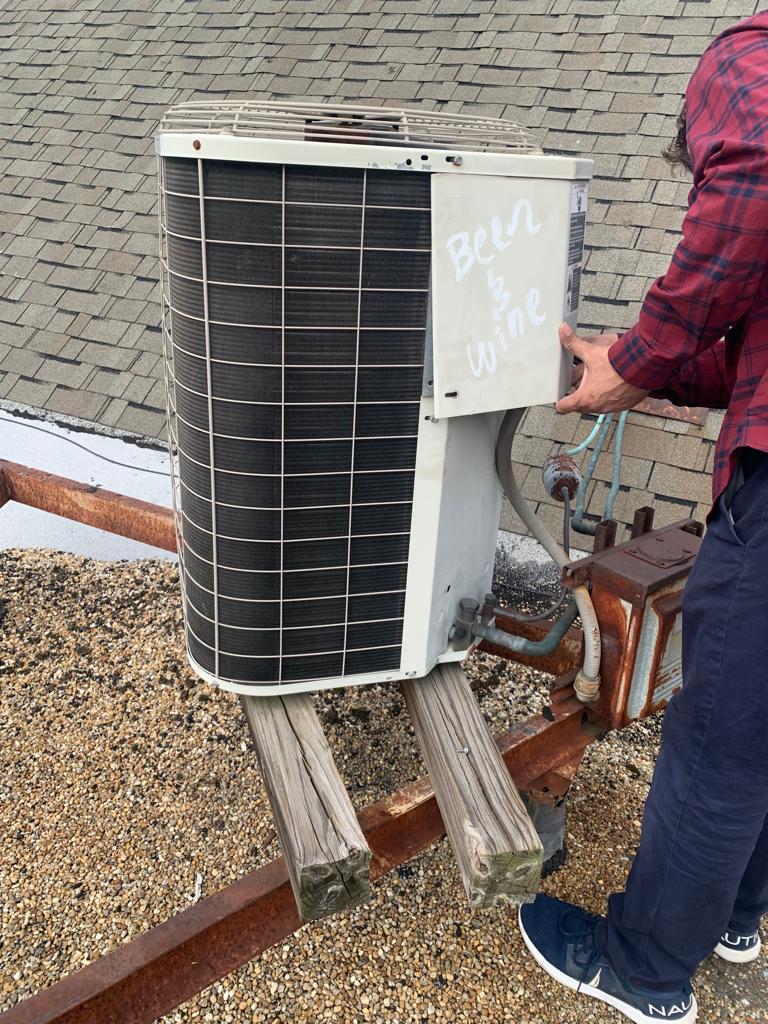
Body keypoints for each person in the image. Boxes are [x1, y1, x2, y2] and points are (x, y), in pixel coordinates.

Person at [517, 13, 768, 1024]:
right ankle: (737, 914)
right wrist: (643, 367)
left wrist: (635, 358)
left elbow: (755, 166)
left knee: (718, 745)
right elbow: (743, 346)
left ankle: (647, 970)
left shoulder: (748, 55)